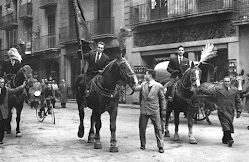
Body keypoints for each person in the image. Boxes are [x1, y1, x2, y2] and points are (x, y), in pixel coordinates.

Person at [198, 76, 242, 147]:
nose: (226, 83)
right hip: (222, 110)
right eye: (225, 81)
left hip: (230, 111)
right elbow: (209, 92)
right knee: (225, 124)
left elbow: (238, 101)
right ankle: (229, 138)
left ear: (230, 82)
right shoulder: (219, 89)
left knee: (229, 123)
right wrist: (201, 88)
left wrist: (239, 111)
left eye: (228, 81)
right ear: (223, 82)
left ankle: (225, 138)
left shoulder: (235, 90)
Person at [134, 69, 166, 153]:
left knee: (158, 128)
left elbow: (162, 99)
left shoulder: (159, 86)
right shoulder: (143, 85)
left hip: (154, 110)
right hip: (144, 110)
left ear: (150, 75)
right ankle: (143, 144)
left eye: (146, 74)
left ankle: (160, 146)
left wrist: (163, 110)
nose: (145, 75)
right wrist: (132, 80)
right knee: (142, 128)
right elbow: (135, 89)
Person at [0, 77, 26, 144]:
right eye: (0, 82)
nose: (2, 84)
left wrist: (22, 86)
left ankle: (0, 140)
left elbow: (15, 90)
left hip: (3, 110)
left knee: (2, 125)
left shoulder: (7, 90)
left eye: (3, 82)